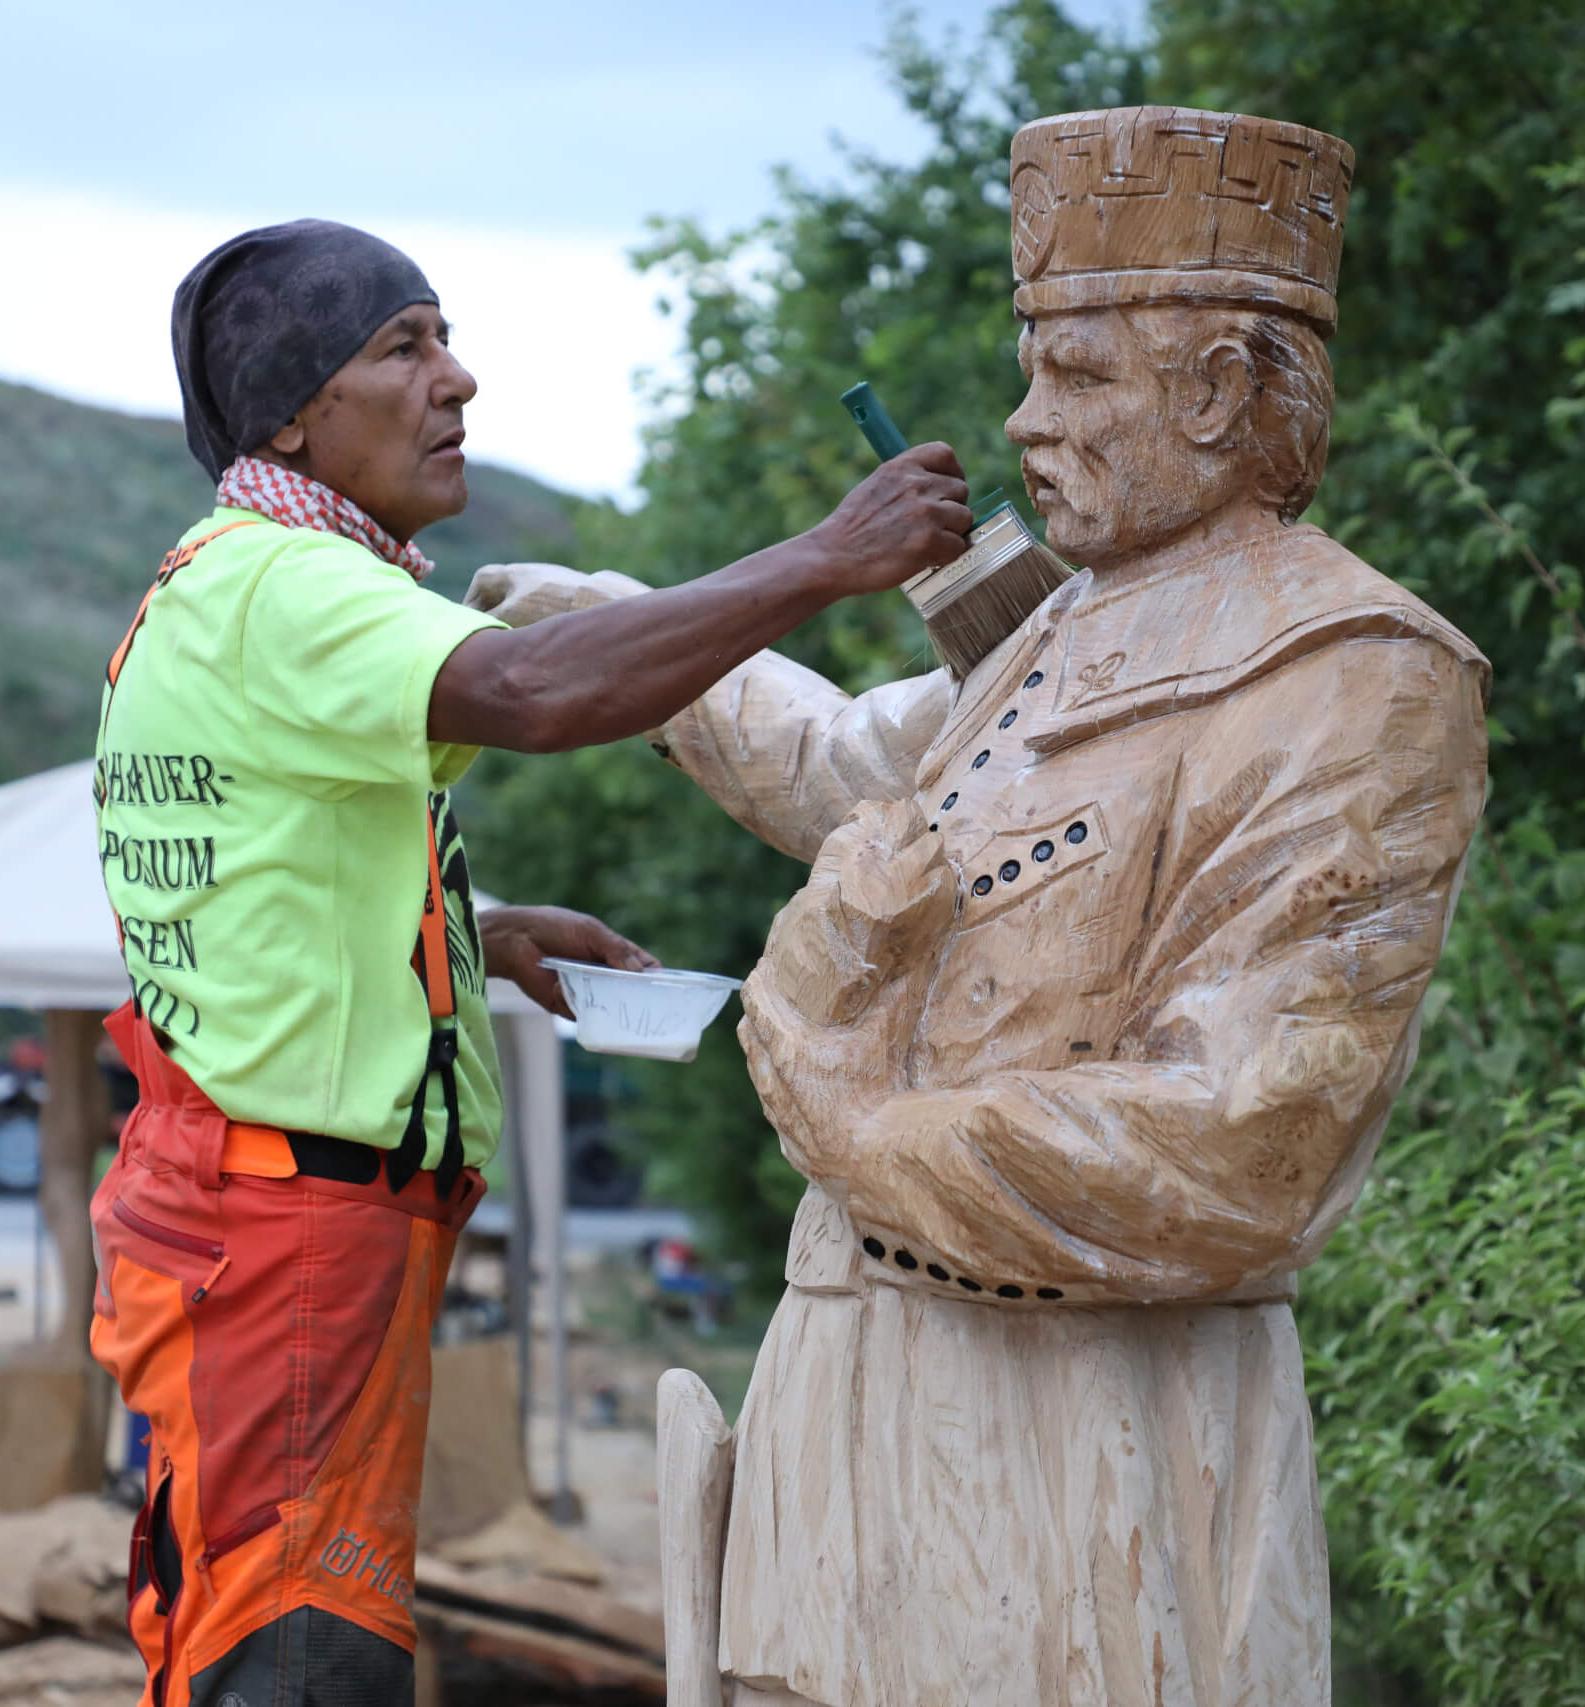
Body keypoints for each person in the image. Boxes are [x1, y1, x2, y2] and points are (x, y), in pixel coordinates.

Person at [475, 107, 1491, 1706]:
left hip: (1096, 1449)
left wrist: (861, 1131)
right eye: (1032, 369)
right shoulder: (1060, 631)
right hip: (860, 1408)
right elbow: (842, 768)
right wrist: (618, 630)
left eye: (1074, 376)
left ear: (1220, 391)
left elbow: (1252, 1135)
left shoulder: (1351, 678)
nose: (1025, 421)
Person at [87, 217, 969, 1706]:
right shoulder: (285, 586)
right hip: (288, 1233)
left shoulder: (230, 591)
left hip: (262, 1213)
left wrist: (474, 942)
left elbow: (251, 888)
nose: (458, 380)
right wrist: (828, 558)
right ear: (293, 413)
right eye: (403, 346)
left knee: (274, 1622)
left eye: (445, 339)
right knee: (297, 1650)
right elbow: (537, 688)